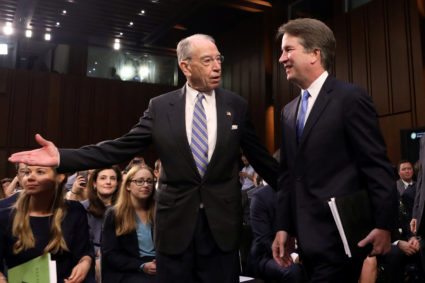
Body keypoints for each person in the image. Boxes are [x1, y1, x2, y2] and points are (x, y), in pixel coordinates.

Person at [8, 33, 279, 283]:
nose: (217, 66)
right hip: (175, 229)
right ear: (185, 66)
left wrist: (294, 195)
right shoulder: (161, 107)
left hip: (222, 229)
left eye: (218, 59)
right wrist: (62, 157)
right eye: (207, 60)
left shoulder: (236, 106)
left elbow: (262, 159)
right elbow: (119, 147)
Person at [272, 18, 397, 282]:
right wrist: (283, 226)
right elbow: (287, 177)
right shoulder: (287, 112)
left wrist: (384, 225)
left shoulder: (350, 98)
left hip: (343, 244)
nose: (281, 58)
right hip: (306, 246)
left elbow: (377, 166)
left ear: (315, 53)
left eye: (288, 50)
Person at [0, 165, 94, 283]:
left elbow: (83, 251)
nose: (29, 177)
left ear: (60, 177)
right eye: (27, 172)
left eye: (40, 172)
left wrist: (85, 263)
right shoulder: (5, 215)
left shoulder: (74, 211)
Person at [101, 165, 156, 283]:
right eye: (140, 181)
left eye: (149, 181)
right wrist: (141, 266)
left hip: (158, 266)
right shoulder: (114, 214)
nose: (146, 185)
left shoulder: (160, 212)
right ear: (127, 186)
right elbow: (110, 254)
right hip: (129, 270)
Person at [82, 166, 122, 282]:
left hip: (117, 258)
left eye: (113, 178)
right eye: (103, 178)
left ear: (118, 183)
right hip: (90, 257)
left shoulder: (125, 208)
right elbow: (81, 240)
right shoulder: (83, 208)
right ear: (94, 183)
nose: (108, 182)